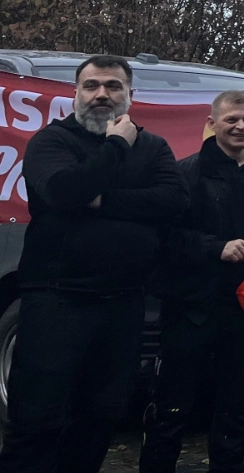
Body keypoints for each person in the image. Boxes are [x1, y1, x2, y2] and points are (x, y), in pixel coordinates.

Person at [0, 56, 188, 473]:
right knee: (37, 419)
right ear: (76, 94)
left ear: (130, 95)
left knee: (100, 416)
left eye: (113, 86)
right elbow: (65, 191)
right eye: (91, 86)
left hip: (123, 304)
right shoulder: (52, 142)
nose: (102, 94)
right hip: (57, 301)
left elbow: (174, 202)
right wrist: (116, 146)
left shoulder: (153, 147)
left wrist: (102, 201)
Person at [140, 90, 244, 473]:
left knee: (238, 405)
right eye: (232, 120)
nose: (241, 127)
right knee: (172, 405)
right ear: (212, 124)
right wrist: (216, 249)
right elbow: (165, 237)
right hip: (192, 307)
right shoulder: (187, 172)